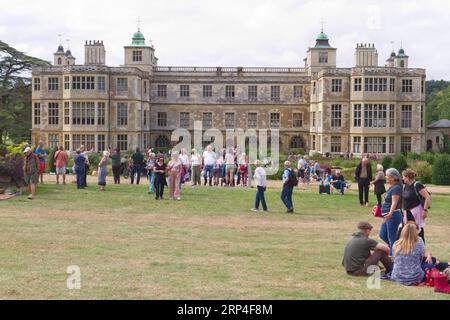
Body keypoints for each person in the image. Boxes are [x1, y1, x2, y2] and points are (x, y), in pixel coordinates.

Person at [401, 169, 432, 243]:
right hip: (407, 212)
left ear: (407, 177)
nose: (403, 178)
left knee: (418, 232)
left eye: (403, 177)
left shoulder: (417, 185)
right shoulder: (406, 186)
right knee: (408, 231)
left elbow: (427, 197)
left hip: (416, 212)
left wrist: (425, 210)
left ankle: (422, 250)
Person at [379, 168, 403, 255]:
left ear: (393, 177)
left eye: (387, 176)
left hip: (393, 215)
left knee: (391, 237)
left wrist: (390, 213)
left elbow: (394, 203)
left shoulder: (396, 188)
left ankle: (393, 257)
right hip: (388, 215)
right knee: (382, 234)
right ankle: (395, 249)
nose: (386, 177)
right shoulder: (392, 187)